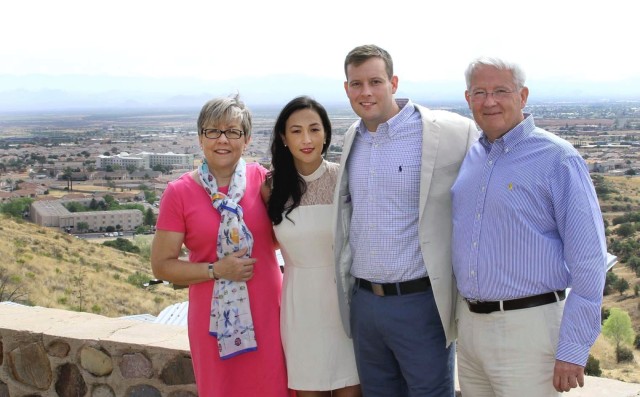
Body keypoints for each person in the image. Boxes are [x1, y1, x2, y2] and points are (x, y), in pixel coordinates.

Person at [451, 57, 608, 396]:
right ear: (468, 99)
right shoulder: (472, 157)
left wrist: (574, 347)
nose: (489, 101)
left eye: (500, 91)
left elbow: (589, 262)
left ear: (522, 96)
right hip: (471, 329)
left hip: (530, 330)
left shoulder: (558, 159)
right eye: (480, 92)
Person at [333, 44, 479, 396]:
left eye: (375, 81)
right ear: (346, 88)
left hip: (420, 303)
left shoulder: (447, 131)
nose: (365, 92)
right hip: (365, 304)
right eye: (356, 84)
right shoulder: (354, 136)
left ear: (394, 82)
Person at [150, 94, 290, 396]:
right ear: (201, 138)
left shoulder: (264, 182)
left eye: (233, 131)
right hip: (213, 323)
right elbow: (162, 265)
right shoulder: (179, 193)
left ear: (247, 139)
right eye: (213, 131)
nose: (222, 139)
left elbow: (286, 238)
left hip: (269, 314)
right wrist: (216, 270)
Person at [264, 96, 361, 397]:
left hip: (346, 303)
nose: (306, 139)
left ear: (326, 134)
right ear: (283, 137)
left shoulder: (345, 178)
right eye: (296, 131)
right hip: (299, 306)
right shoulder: (270, 187)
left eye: (314, 129)